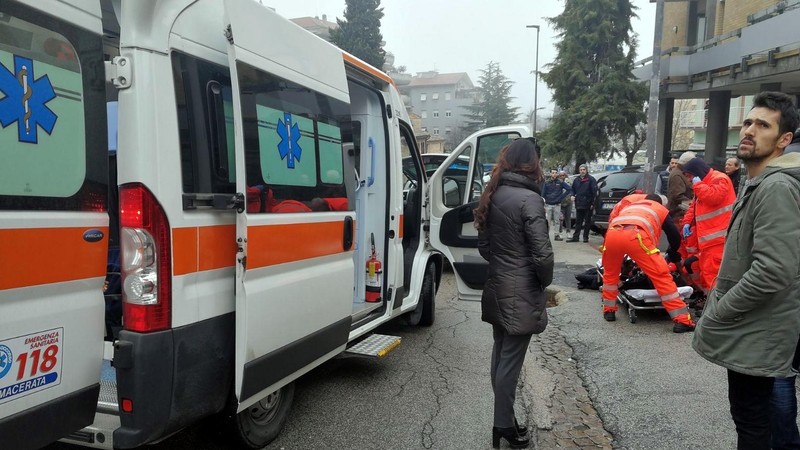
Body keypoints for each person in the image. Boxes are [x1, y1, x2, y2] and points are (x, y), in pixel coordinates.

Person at [692, 91, 800, 450]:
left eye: (763, 125)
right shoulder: (758, 182)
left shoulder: (777, 187)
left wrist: (722, 309)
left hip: (760, 333)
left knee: (756, 426)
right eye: (749, 122)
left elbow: (773, 270)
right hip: (756, 331)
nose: (750, 130)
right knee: (755, 421)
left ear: (784, 139)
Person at [474, 138, 553, 450]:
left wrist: (503, 265)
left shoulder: (494, 192)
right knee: (509, 362)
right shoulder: (529, 199)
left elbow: (483, 245)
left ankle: (503, 419)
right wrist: (542, 282)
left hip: (497, 285)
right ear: (531, 163)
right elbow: (543, 256)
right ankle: (503, 425)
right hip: (521, 290)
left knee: (501, 356)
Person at [600, 194, 696, 333]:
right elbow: (674, 234)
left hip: (612, 235)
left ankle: (609, 311)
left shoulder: (631, 206)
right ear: (660, 203)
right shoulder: (660, 209)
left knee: (610, 274)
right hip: (636, 237)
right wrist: (674, 250)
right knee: (661, 276)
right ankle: (682, 320)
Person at [680, 157, 736, 294]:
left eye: (689, 176)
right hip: (709, 239)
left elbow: (713, 197)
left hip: (719, 238)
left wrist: (698, 185)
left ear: (697, 172)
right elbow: (694, 206)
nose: (689, 180)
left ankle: (715, 308)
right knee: (707, 273)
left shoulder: (719, 179)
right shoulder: (704, 183)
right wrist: (687, 222)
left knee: (713, 275)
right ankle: (709, 303)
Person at [567, 164, 597, 243]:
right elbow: (572, 189)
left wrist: (592, 203)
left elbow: (594, 192)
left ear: (586, 170)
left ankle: (585, 237)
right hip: (579, 203)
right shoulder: (576, 180)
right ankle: (576, 237)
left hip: (588, 203)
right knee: (578, 221)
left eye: (584, 169)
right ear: (579, 171)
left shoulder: (591, 179)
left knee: (587, 221)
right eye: (581, 170)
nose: (582, 171)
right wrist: (572, 195)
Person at [542, 169, 572, 241]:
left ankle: (557, 235)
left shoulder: (560, 182)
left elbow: (569, 189)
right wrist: (544, 201)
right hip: (548, 204)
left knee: (557, 221)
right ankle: (546, 236)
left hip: (557, 204)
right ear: (550, 174)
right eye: (553, 173)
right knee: (547, 221)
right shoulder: (546, 183)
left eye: (556, 173)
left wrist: (561, 197)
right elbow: (543, 194)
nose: (554, 174)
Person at [668, 152, 695, 227]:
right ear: (687, 163)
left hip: (681, 213)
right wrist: (693, 204)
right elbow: (677, 196)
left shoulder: (681, 173)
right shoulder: (677, 175)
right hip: (679, 215)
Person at [559, 171, 573, 236]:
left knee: (568, 218)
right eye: (560, 176)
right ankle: (560, 232)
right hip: (560, 202)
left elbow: (572, 190)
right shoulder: (558, 182)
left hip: (568, 201)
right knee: (560, 218)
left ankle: (568, 232)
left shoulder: (569, 182)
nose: (562, 177)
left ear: (565, 175)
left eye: (563, 175)